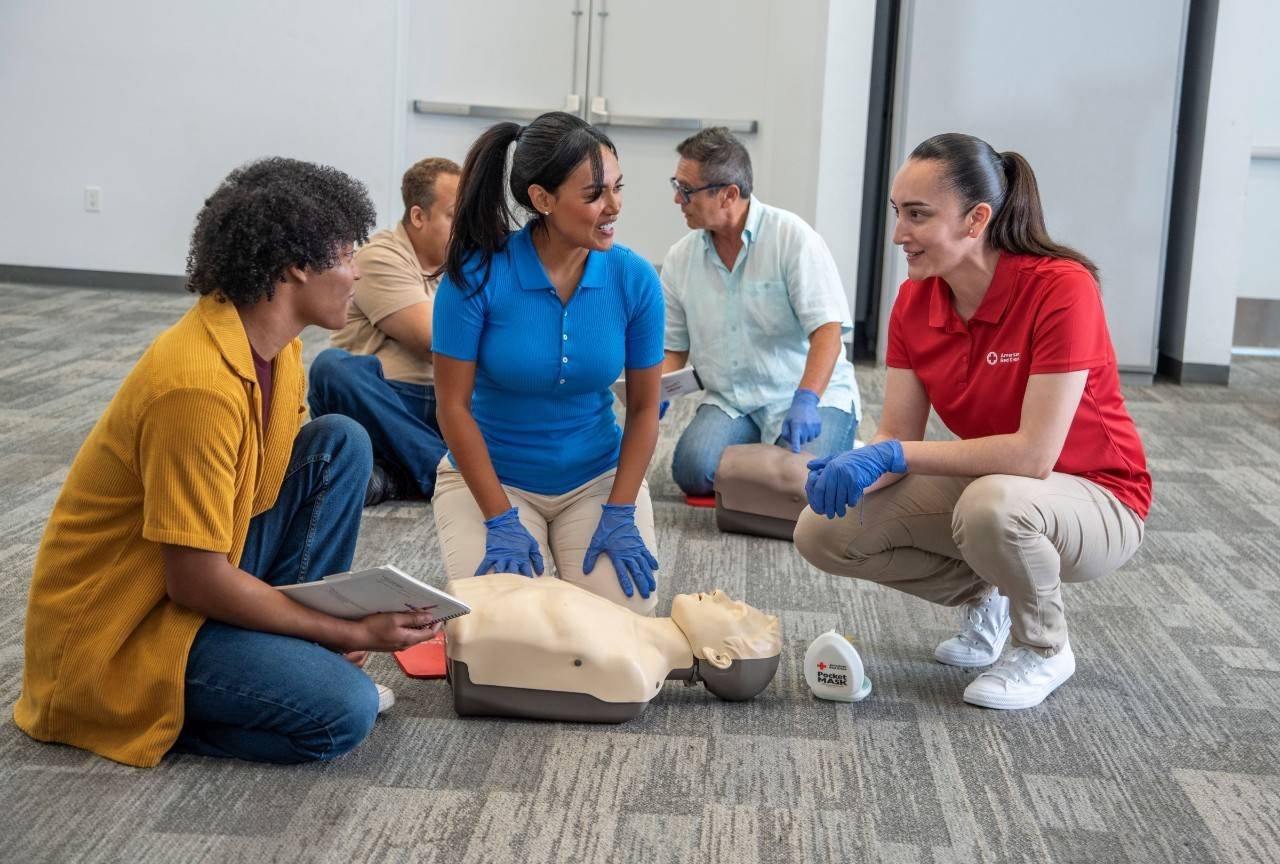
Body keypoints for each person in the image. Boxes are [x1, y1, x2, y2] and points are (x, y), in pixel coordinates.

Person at [14, 158, 441, 767]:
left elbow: (255, 500)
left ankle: (280, 654)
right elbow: (194, 579)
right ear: (297, 265)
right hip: (125, 632)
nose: (355, 274)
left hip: (191, 581)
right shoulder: (196, 386)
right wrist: (343, 632)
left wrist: (321, 620)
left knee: (340, 442)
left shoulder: (280, 348)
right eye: (346, 256)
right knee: (341, 712)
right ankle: (138, 708)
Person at [794, 133, 1152, 710]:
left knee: (992, 507)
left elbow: (1034, 456)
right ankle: (994, 595)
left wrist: (894, 457)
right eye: (897, 213)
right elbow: (897, 437)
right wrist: (858, 465)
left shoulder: (1062, 288)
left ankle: (1043, 648)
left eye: (917, 215)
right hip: (1000, 489)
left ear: (975, 219)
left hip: (1102, 499)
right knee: (823, 531)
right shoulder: (914, 302)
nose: (898, 235)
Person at [432, 111, 665, 615]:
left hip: (597, 481)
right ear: (542, 199)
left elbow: (646, 409)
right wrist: (498, 517)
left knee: (622, 623)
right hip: (495, 482)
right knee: (504, 627)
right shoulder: (474, 276)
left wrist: (620, 509)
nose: (613, 206)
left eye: (617, 188)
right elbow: (452, 407)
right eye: (594, 194)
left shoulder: (635, 279)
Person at [660, 127, 862, 497]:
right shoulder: (680, 258)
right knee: (692, 470)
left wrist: (807, 399)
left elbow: (828, 333)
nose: (677, 198)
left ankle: (839, 445)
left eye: (686, 190)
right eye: (677, 185)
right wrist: (656, 391)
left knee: (806, 486)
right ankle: (766, 455)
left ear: (728, 195)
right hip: (734, 400)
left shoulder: (793, 239)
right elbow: (674, 347)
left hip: (805, 395)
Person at [308, 157, 461, 506]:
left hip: (444, 402)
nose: (466, 227)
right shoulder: (380, 257)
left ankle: (393, 475)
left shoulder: (465, 261)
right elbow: (437, 343)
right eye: (454, 216)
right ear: (419, 216)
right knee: (331, 368)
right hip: (385, 401)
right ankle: (450, 477)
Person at [445, 573, 782, 721]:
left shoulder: (631, 675)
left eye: (733, 611)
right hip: (463, 606)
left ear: (719, 658)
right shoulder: (631, 628)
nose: (720, 594)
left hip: (464, 624)